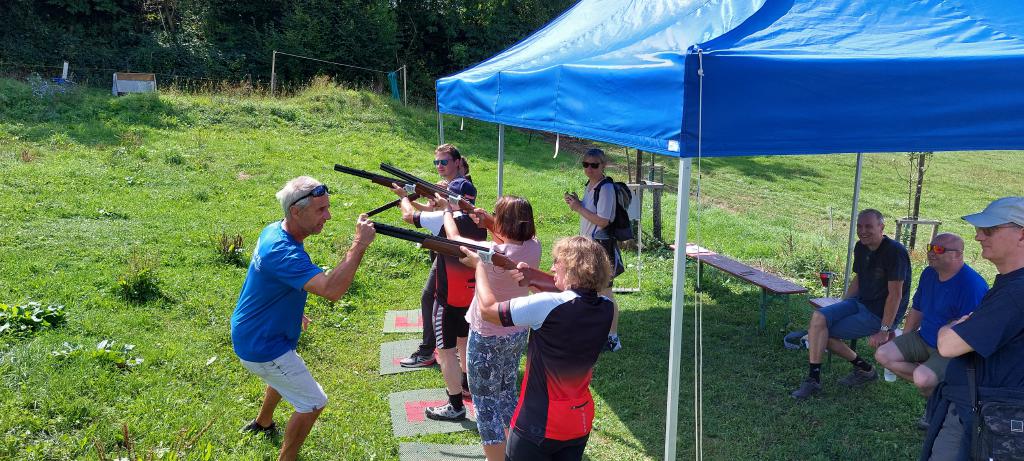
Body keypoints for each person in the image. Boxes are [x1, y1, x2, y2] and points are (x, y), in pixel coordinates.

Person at [231, 176, 376, 461]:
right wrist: (359, 244)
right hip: (262, 345)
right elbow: (331, 290)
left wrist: (292, 310)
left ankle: (263, 422)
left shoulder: (274, 230)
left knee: (285, 372)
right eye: (321, 209)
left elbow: (269, 282)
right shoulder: (283, 252)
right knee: (313, 403)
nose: (328, 216)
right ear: (296, 211)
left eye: (327, 207)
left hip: (254, 329)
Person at [458, 236, 614, 461]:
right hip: (578, 420)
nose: (552, 268)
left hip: (537, 423)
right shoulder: (607, 307)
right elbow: (574, 296)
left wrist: (480, 268)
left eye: (557, 262)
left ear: (573, 269)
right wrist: (533, 278)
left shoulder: (548, 305)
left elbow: (489, 310)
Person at [922, 197, 1024, 461]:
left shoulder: (1016, 292)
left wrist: (951, 326)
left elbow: (948, 345)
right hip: (983, 410)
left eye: (989, 230)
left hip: (987, 415)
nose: (978, 236)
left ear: (1022, 235)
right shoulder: (1010, 284)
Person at [439, 195, 541, 460]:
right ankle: (515, 451)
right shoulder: (534, 246)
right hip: (517, 331)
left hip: (487, 336)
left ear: (504, 222)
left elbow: (453, 238)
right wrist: (490, 221)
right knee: (507, 394)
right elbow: (511, 238)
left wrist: (447, 210)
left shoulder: (489, 252)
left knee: (485, 405)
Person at [393, 176, 487, 421]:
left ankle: (455, 405)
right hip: (470, 295)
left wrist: (403, 197)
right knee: (464, 342)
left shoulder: (446, 219)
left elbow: (408, 216)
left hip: (447, 299)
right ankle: (466, 385)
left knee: (445, 352)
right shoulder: (481, 221)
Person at [791, 209, 911, 400]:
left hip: (879, 313)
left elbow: (895, 295)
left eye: (868, 226)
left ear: (881, 227)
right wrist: (844, 305)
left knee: (822, 334)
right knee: (818, 319)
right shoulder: (861, 247)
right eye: (859, 226)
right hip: (859, 302)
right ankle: (816, 379)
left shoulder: (895, 252)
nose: (863, 231)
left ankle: (863, 371)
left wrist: (884, 329)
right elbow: (859, 278)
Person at [874, 233, 987, 428]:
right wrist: (905, 338)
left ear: (958, 255)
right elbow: (917, 309)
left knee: (922, 378)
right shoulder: (929, 273)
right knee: (882, 354)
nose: (931, 253)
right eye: (930, 247)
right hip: (923, 338)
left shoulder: (972, 286)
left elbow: (971, 332)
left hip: (951, 350)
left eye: (939, 249)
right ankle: (940, 392)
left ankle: (934, 405)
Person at [400, 143, 472, 368]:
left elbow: (411, 216)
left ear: (457, 162)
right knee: (447, 303)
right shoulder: (459, 192)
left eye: (444, 162)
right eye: (437, 162)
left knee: (433, 299)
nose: (439, 166)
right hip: (451, 255)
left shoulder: (457, 193)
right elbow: (435, 210)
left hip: (449, 256)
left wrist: (403, 197)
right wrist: (428, 196)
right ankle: (450, 349)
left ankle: (428, 351)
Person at [563, 147, 624, 352]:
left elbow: (604, 221)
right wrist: (578, 203)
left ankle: (613, 338)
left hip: (601, 247)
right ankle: (596, 331)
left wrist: (578, 208)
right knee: (591, 289)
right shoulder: (591, 185)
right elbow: (592, 213)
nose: (589, 169)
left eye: (594, 165)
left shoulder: (605, 189)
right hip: (589, 245)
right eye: (585, 164)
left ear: (603, 165)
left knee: (605, 292)